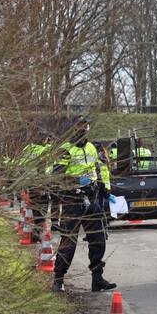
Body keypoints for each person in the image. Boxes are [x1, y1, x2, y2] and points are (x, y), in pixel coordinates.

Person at [50, 116, 117, 294]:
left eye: (85, 126)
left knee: (98, 239)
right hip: (72, 199)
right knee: (69, 241)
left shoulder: (91, 147)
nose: (83, 129)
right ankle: (58, 279)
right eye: (79, 126)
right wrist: (76, 180)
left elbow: (96, 167)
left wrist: (102, 185)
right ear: (73, 129)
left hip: (92, 198)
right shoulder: (65, 150)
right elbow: (57, 175)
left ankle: (97, 279)